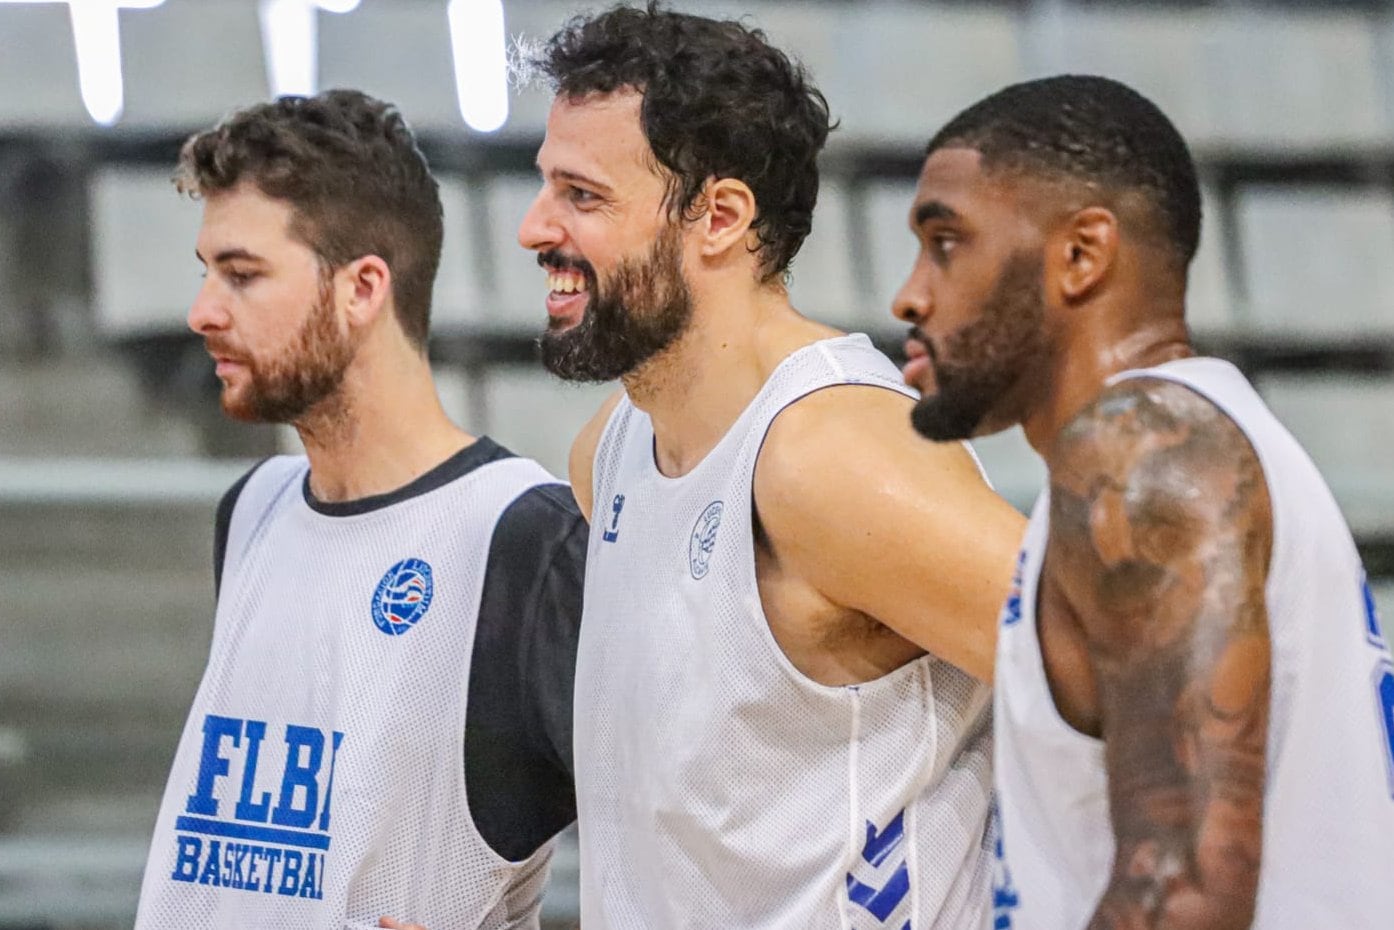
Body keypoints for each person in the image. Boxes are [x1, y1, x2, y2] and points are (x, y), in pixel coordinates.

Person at [516, 5, 1027, 927]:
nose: (532, 227)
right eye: (546, 186)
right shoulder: (611, 452)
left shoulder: (832, 456)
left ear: (719, 217)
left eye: (580, 195)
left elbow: (1145, 680)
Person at [894, 74, 1394, 928]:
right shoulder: (1184, 440)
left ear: (1081, 255)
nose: (911, 293)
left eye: (947, 243)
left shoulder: (1142, 451)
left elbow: (1182, 896)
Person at [134, 90, 586, 930]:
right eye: (206, 273)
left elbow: (691, 850)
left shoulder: (523, 536)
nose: (203, 311)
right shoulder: (253, 510)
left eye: (241, 274)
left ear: (363, 287)